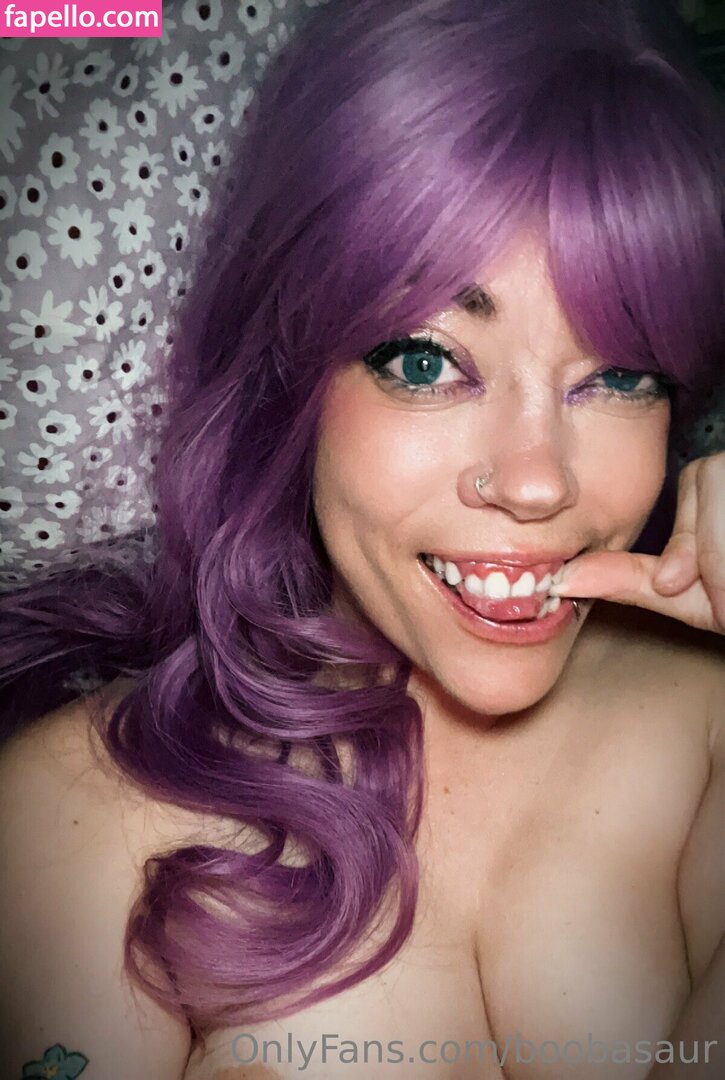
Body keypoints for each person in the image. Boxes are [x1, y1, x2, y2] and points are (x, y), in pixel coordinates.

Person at [1, 1, 723, 1078]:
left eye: (618, 375)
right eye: (426, 362)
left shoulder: (709, 723)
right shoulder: (75, 818)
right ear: (291, 372)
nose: (536, 482)